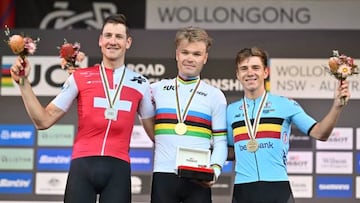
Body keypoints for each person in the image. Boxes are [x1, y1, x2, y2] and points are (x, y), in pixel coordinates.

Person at [10, 14, 155, 203]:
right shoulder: (80, 77)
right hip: (83, 167)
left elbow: (155, 135)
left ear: (128, 42)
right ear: (100, 41)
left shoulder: (141, 83)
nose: (113, 41)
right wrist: (23, 83)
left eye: (119, 37)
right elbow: (43, 120)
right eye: (108, 35)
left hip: (118, 171)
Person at [226, 47, 351, 203]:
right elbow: (231, 151)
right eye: (244, 68)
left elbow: (320, 133)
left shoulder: (285, 105)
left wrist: (337, 106)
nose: (250, 73)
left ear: (265, 72)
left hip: (277, 189)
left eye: (255, 68)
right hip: (243, 190)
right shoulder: (230, 111)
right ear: (238, 74)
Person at [149, 26, 228, 203]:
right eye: (185, 52)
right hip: (164, 176)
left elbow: (221, 141)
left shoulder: (215, 96)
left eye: (197, 54)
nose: (190, 59)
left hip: (199, 178)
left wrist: (214, 170)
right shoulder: (156, 90)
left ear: (205, 58)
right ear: (177, 54)